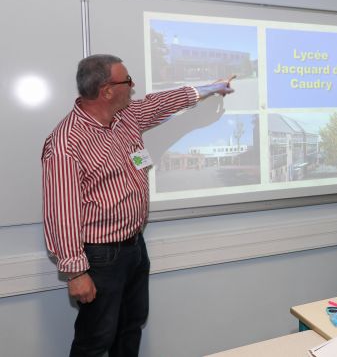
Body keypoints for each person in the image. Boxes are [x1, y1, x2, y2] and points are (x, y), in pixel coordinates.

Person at [42, 54, 234, 356]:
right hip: (100, 256)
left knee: (130, 326)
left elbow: (162, 103)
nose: (133, 86)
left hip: (134, 246)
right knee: (96, 339)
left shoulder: (125, 117)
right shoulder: (67, 143)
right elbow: (60, 211)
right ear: (106, 90)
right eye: (127, 80)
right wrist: (76, 272)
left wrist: (211, 88)